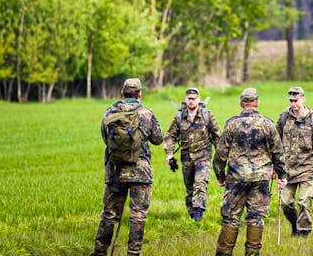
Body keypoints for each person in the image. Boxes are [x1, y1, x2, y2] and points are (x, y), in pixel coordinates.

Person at [91, 78, 164, 256]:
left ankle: (100, 251)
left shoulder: (109, 112)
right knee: (138, 216)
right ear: (140, 94)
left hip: (115, 171)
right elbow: (158, 139)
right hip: (140, 171)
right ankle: (133, 252)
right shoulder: (147, 113)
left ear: (122, 93)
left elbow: (105, 138)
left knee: (109, 214)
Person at [213, 88, 287, 256]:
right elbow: (278, 152)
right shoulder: (267, 124)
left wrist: (220, 176)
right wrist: (282, 175)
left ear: (241, 104)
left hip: (236, 178)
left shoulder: (231, 124)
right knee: (255, 218)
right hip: (260, 178)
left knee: (231, 218)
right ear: (257, 102)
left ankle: (224, 254)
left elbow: (220, 155)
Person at [277, 86, 313, 237]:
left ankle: (304, 233)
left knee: (304, 201)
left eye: (296, 100)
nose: (294, 104)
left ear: (303, 99)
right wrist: (274, 167)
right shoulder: (283, 118)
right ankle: (295, 224)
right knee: (285, 203)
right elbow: (275, 143)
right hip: (287, 170)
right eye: (291, 101)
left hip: (307, 168)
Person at [163, 87, 220, 221]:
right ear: (185, 100)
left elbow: (217, 136)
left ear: (198, 100)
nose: (191, 101)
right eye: (189, 99)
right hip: (186, 157)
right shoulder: (179, 117)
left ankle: (198, 214)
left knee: (200, 184)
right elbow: (170, 136)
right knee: (190, 189)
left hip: (203, 156)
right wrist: (169, 154)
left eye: (194, 99)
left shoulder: (207, 115)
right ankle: (192, 215)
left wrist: (221, 155)